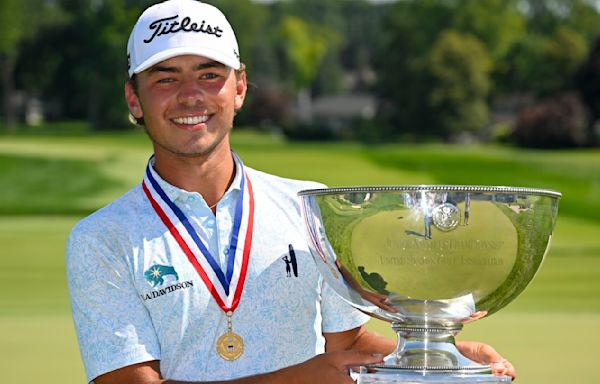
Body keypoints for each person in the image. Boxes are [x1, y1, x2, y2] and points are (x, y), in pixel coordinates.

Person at [66, 1, 515, 383]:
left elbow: (349, 344)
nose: (190, 96)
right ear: (133, 98)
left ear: (239, 87)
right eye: (165, 78)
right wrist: (299, 378)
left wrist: (440, 362)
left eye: (209, 75)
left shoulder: (308, 207)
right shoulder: (102, 239)